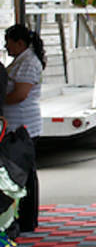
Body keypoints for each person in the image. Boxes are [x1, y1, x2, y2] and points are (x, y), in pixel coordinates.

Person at [4, 24, 45, 232]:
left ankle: (28, 219)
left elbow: (20, 94)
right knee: (22, 172)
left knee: (25, 173)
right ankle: (25, 217)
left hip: (23, 125)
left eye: (8, 43)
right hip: (16, 124)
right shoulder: (20, 61)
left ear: (20, 43)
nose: (5, 47)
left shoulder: (28, 62)